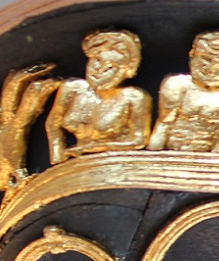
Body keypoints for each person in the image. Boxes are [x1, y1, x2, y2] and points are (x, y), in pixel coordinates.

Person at [45, 29, 152, 162]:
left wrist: (90, 149)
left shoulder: (133, 97)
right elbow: (53, 124)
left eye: (111, 66)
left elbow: (138, 141)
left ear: (125, 72)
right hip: (76, 162)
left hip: (118, 162)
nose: (99, 70)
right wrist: (57, 158)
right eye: (96, 60)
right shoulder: (73, 88)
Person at [147, 30, 219, 153]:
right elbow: (164, 124)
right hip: (168, 153)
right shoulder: (177, 85)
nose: (213, 68)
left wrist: (214, 163)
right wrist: (151, 156)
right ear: (192, 55)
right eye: (206, 59)